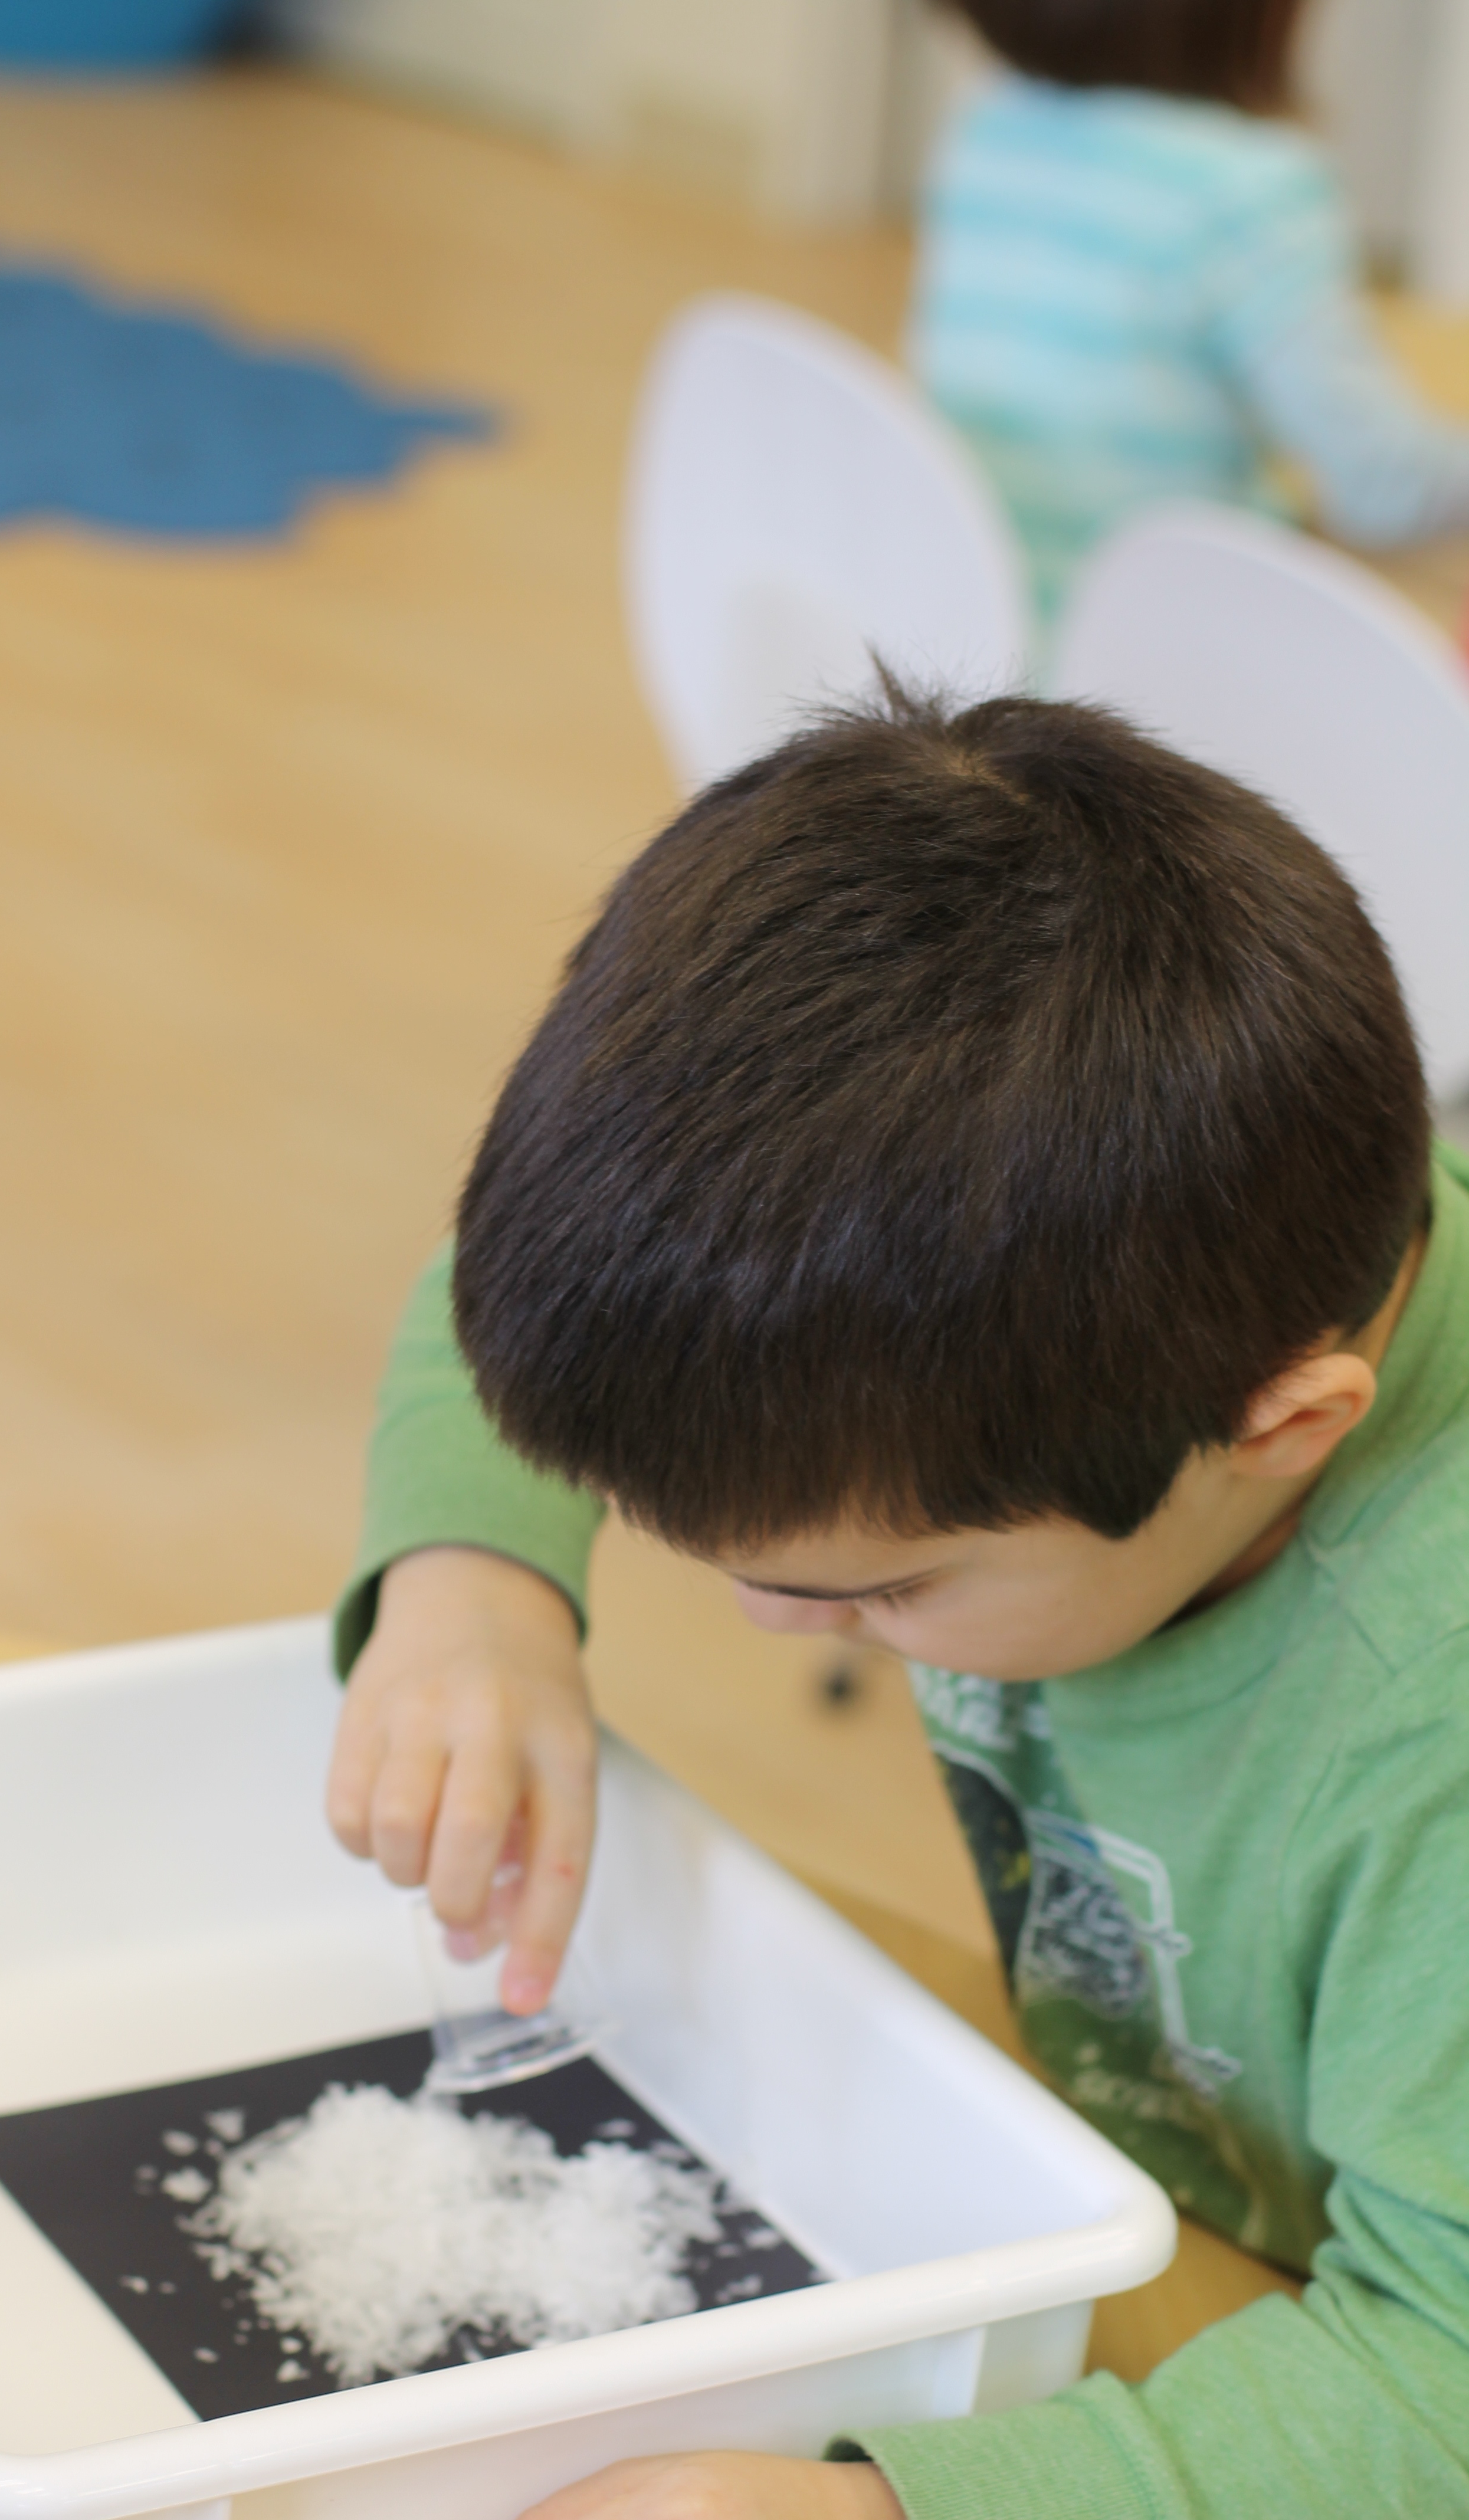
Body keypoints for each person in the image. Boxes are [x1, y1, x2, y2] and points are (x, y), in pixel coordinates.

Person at [327, 687, 1469, 2519]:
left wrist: (885, 2506)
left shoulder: (1430, 1714)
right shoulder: (1168, 1284)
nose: (779, 1627)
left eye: (876, 1587)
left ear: (1282, 1429)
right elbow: (560, 1300)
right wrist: (475, 1587)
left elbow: (1441, 2379)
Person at [911, 0, 1469, 618]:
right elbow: (1386, 488)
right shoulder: (1246, 187)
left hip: (981, 628)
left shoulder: (990, 127)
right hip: (1156, 647)